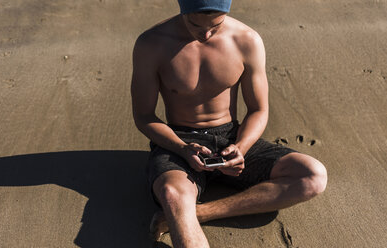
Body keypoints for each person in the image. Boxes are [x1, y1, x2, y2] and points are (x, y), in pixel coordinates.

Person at [131, 0, 327, 247]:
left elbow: (258, 109)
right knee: (173, 195)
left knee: (313, 175)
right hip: (179, 141)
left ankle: (199, 213)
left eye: (216, 25)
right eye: (195, 24)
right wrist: (182, 148)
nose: (205, 34)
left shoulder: (247, 40)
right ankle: (183, 210)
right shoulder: (151, 44)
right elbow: (144, 116)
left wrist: (241, 148)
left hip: (230, 138)